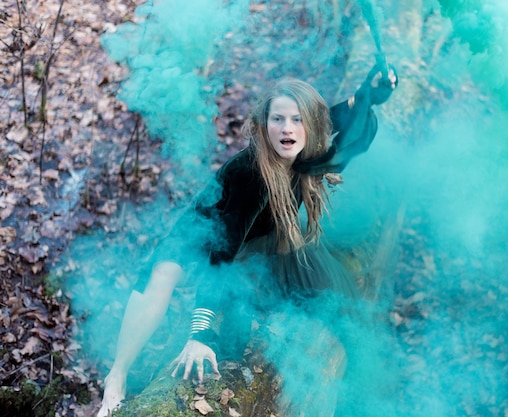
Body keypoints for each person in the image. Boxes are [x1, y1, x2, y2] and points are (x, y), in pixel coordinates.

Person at [97, 62, 397, 417]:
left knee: (335, 303)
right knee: (161, 277)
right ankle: (115, 377)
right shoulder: (249, 175)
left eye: (297, 119)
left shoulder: (306, 148)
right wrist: (199, 333)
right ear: (262, 124)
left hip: (259, 243)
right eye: (278, 119)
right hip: (207, 235)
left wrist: (368, 93)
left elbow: (333, 118)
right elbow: (220, 254)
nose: (288, 128)